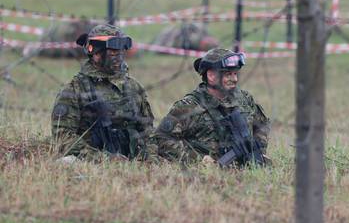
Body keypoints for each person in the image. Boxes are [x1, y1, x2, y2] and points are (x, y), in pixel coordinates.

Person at [51, 24, 154, 162]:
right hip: (90, 162)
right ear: (95, 53)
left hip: (133, 162)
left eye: (120, 51)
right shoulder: (74, 89)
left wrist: (149, 157)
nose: (118, 57)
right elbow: (62, 137)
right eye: (112, 52)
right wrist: (102, 159)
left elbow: (148, 131)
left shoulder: (134, 87)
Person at [154, 48, 270, 166]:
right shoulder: (189, 106)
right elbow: (162, 138)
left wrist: (257, 151)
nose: (234, 79)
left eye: (235, 73)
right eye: (228, 74)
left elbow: (262, 124)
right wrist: (198, 159)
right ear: (211, 76)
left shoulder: (244, 99)